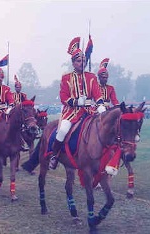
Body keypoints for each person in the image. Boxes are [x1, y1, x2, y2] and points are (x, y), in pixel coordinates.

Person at [49, 37, 106, 170]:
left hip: (89, 110)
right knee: (62, 130)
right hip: (71, 112)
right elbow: (63, 97)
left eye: (84, 60)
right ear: (73, 62)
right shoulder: (66, 77)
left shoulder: (91, 77)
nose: (82, 63)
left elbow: (97, 94)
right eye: (79, 60)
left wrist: (101, 106)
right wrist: (75, 101)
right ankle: (55, 155)